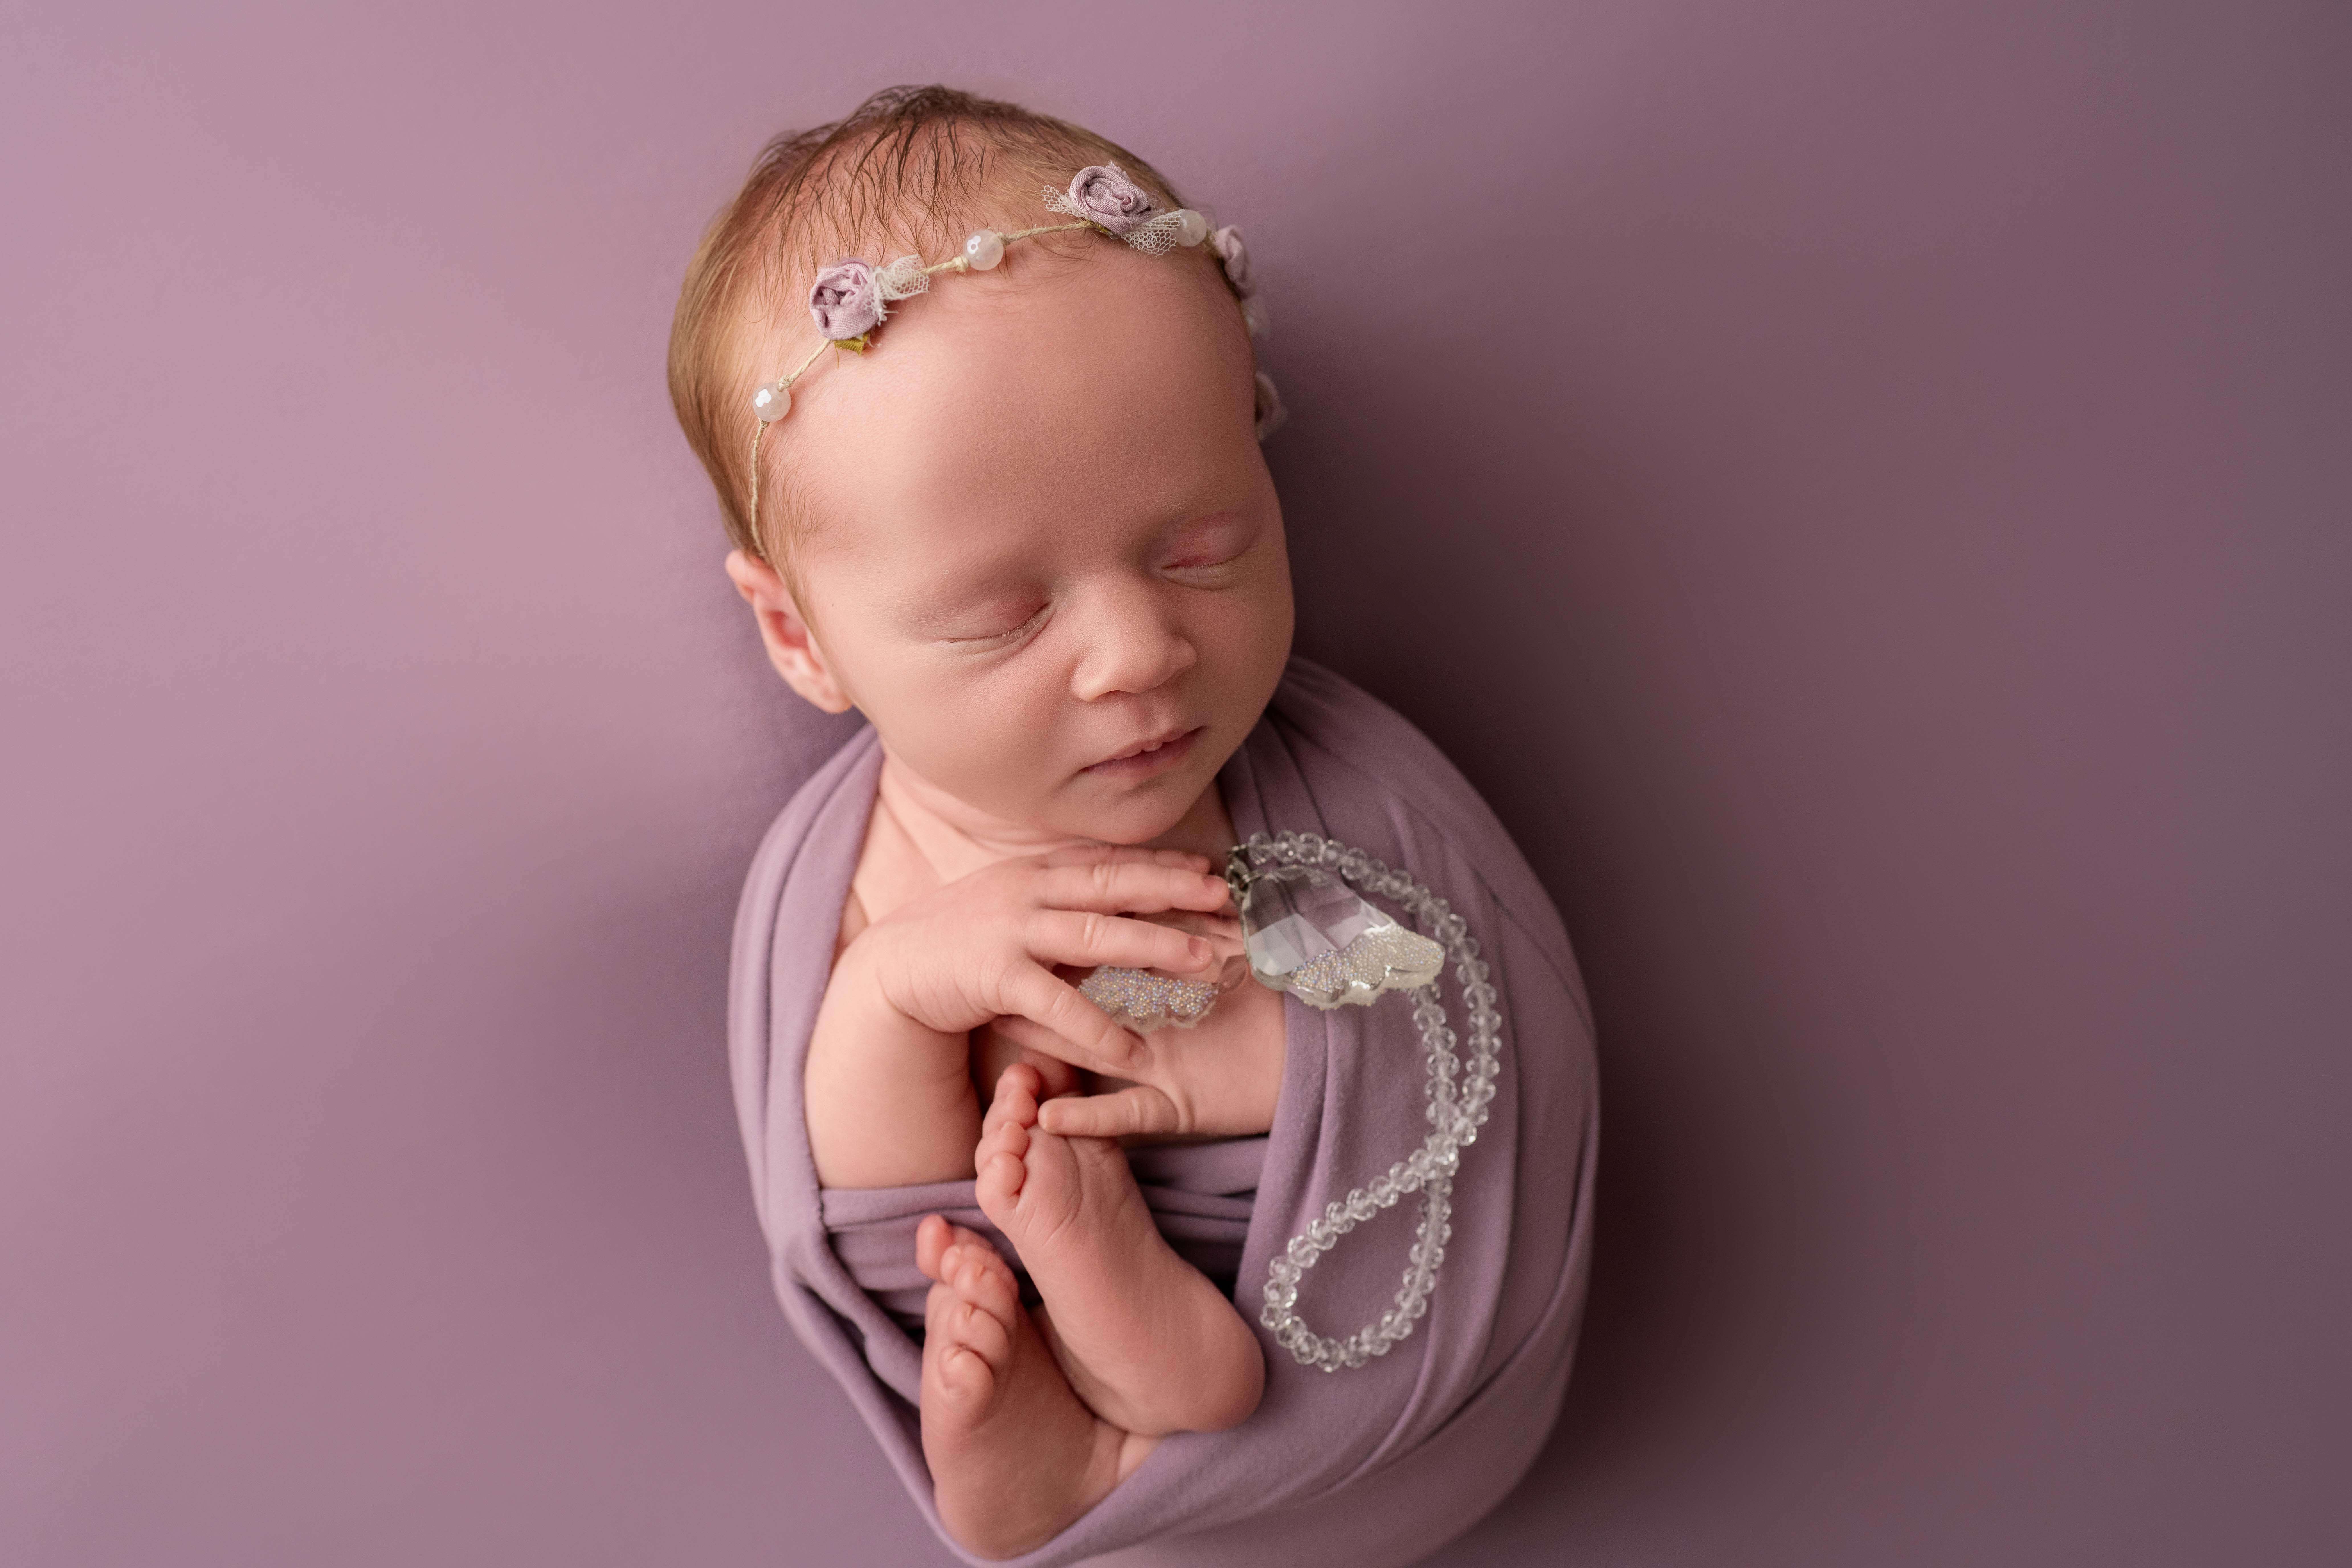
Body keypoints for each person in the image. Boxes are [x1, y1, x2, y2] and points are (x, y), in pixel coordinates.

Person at [670, 85, 1593, 1564]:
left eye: (1205, 550)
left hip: (1333, 1345)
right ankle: (1090, 1407)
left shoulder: (1333, 805)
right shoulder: (850, 884)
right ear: (800, 635)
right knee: (958, 1227)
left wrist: (1231, 1072)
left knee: (1209, 1366)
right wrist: (893, 994)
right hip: (1001, 1272)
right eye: (1006, 616)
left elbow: (1455, 1043)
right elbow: (857, 1222)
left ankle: (1138, 1401)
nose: (1139, 653)